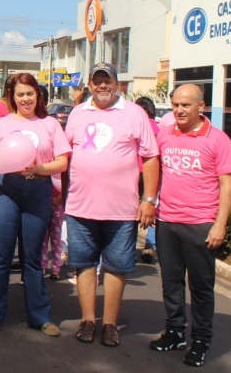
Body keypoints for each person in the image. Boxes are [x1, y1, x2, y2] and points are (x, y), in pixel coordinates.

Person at [62, 63, 159, 347]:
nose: (102, 85)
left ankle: (109, 324)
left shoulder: (134, 113)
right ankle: (88, 319)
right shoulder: (78, 113)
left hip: (121, 209)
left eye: (108, 80)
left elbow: (151, 157)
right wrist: (62, 193)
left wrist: (149, 199)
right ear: (90, 85)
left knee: (117, 267)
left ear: (118, 84)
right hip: (80, 206)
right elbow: (66, 157)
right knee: (83, 264)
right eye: (97, 81)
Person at [149, 84, 231, 367]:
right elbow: (154, 171)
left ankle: (200, 340)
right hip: (167, 221)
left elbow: (227, 185)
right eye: (175, 105)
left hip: (200, 224)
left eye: (186, 105)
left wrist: (219, 225)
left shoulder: (218, 139)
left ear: (201, 106)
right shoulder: (165, 135)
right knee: (171, 283)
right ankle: (175, 332)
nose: (179, 110)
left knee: (200, 286)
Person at [0, 72, 69, 337]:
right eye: (20, 94)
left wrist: (38, 168)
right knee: (0, 256)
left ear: (38, 95)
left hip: (38, 190)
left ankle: (40, 316)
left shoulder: (50, 124)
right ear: (12, 97)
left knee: (32, 259)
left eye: (30, 93)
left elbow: (62, 162)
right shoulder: (1, 125)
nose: (25, 98)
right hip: (5, 190)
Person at [135, 96, 161, 263]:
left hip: (134, 172)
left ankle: (128, 247)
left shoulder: (137, 125)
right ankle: (150, 246)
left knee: (131, 208)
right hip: (151, 174)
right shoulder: (158, 128)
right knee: (152, 206)